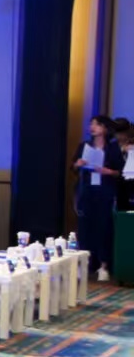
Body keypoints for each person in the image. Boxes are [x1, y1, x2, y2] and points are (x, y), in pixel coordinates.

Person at [74, 117, 120, 274]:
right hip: (87, 191)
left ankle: (103, 265)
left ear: (105, 128)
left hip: (104, 191)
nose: (92, 127)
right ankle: (84, 264)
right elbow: (73, 167)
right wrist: (78, 164)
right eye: (91, 124)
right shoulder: (84, 146)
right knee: (84, 228)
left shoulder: (112, 148)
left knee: (103, 227)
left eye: (97, 124)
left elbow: (119, 172)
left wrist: (108, 171)